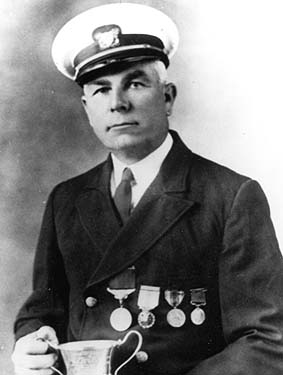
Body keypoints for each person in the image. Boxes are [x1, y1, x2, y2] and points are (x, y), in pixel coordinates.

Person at [12, 3, 283, 375]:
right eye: (101, 90)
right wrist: (32, 342)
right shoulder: (66, 199)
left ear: (168, 96)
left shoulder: (230, 196)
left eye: (135, 83)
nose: (118, 103)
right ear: (86, 107)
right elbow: (43, 311)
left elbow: (268, 339)